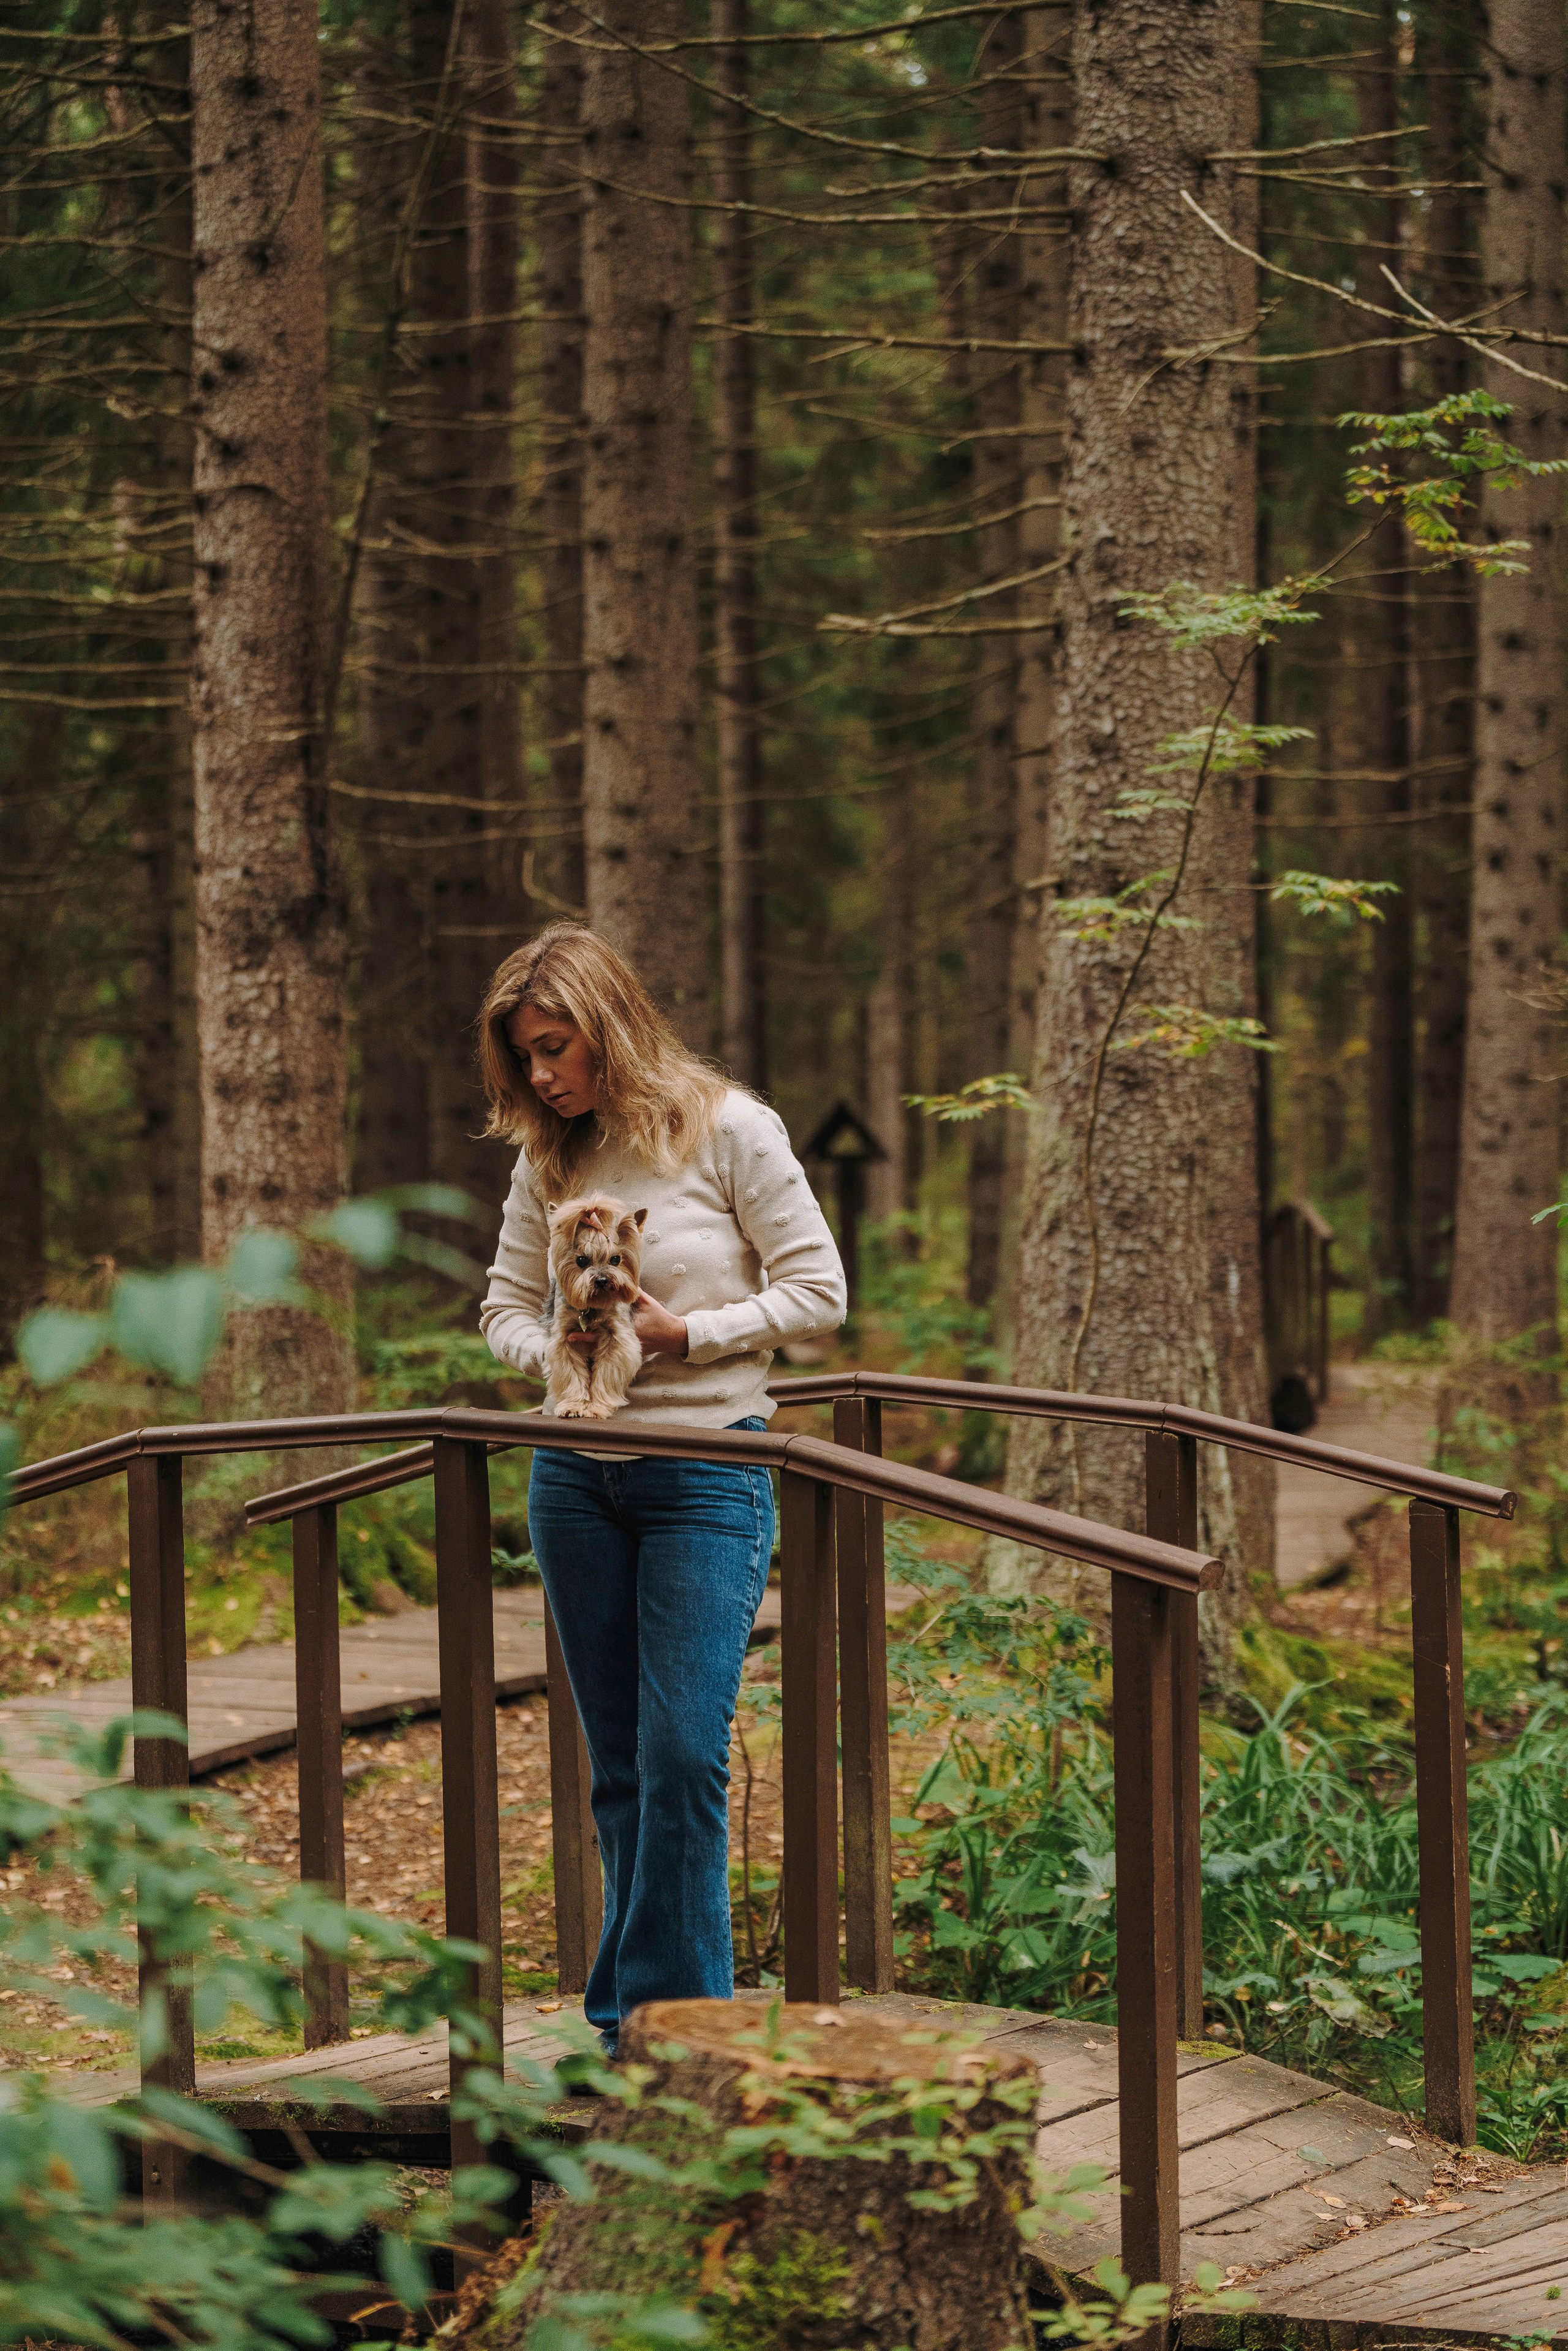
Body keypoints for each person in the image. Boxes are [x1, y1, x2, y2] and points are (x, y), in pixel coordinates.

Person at [477, 925, 847, 2052]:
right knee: (622, 1766)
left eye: (554, 1048)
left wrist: (687, 1335)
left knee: (685, 1753)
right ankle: (633, 2024)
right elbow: (501, 1307)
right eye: (525, 1061)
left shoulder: (730, 1128)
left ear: (610, 1025)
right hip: (575, 1483)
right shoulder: (551, 1158)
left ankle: (679, 2037)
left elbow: (819, 1288)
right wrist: (565, 1350)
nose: (542, 1078)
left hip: (710, 1472)